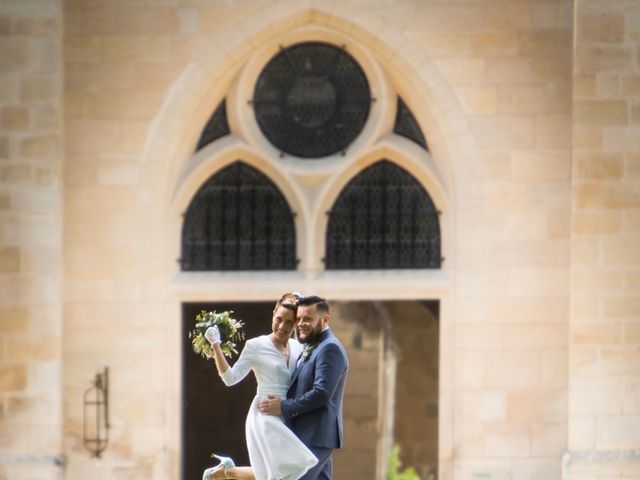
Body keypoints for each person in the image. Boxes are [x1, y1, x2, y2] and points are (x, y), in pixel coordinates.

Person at [202, 293, 318, 480]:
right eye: (279, 319)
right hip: (265, 415)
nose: (282, 326)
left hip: (288, 412)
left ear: (295, 323)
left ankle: (226, 471)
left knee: (270, 474)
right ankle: (226, 471)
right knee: (292, 467)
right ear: (273, 314)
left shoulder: (298, 347)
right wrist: (216, 344)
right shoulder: (255, 345)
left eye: (289, 322)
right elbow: (230, 378)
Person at [258, 295, 349, 480]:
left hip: (317, 435)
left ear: (325, 319)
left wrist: (283, 407)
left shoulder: (330, 348)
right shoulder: (312, 345)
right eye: (298, 319)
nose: (301, 324)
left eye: (307, 319)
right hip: (305, 433)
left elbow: (321, 393)